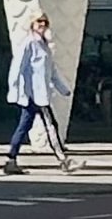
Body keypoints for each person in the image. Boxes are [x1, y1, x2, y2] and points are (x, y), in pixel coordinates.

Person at [4, 12, 70, 176]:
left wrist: (63, 88)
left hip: (40, 94)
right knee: (51, 126)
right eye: (38, 21)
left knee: (24, 126)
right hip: (34, 95)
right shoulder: (29, 44)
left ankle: (11, 159)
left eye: (45, 22)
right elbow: (17, 68)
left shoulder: (44, 45)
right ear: (32, 24)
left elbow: (51, 71)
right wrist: (15, 91)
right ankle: (63, 159)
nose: (42, 24)